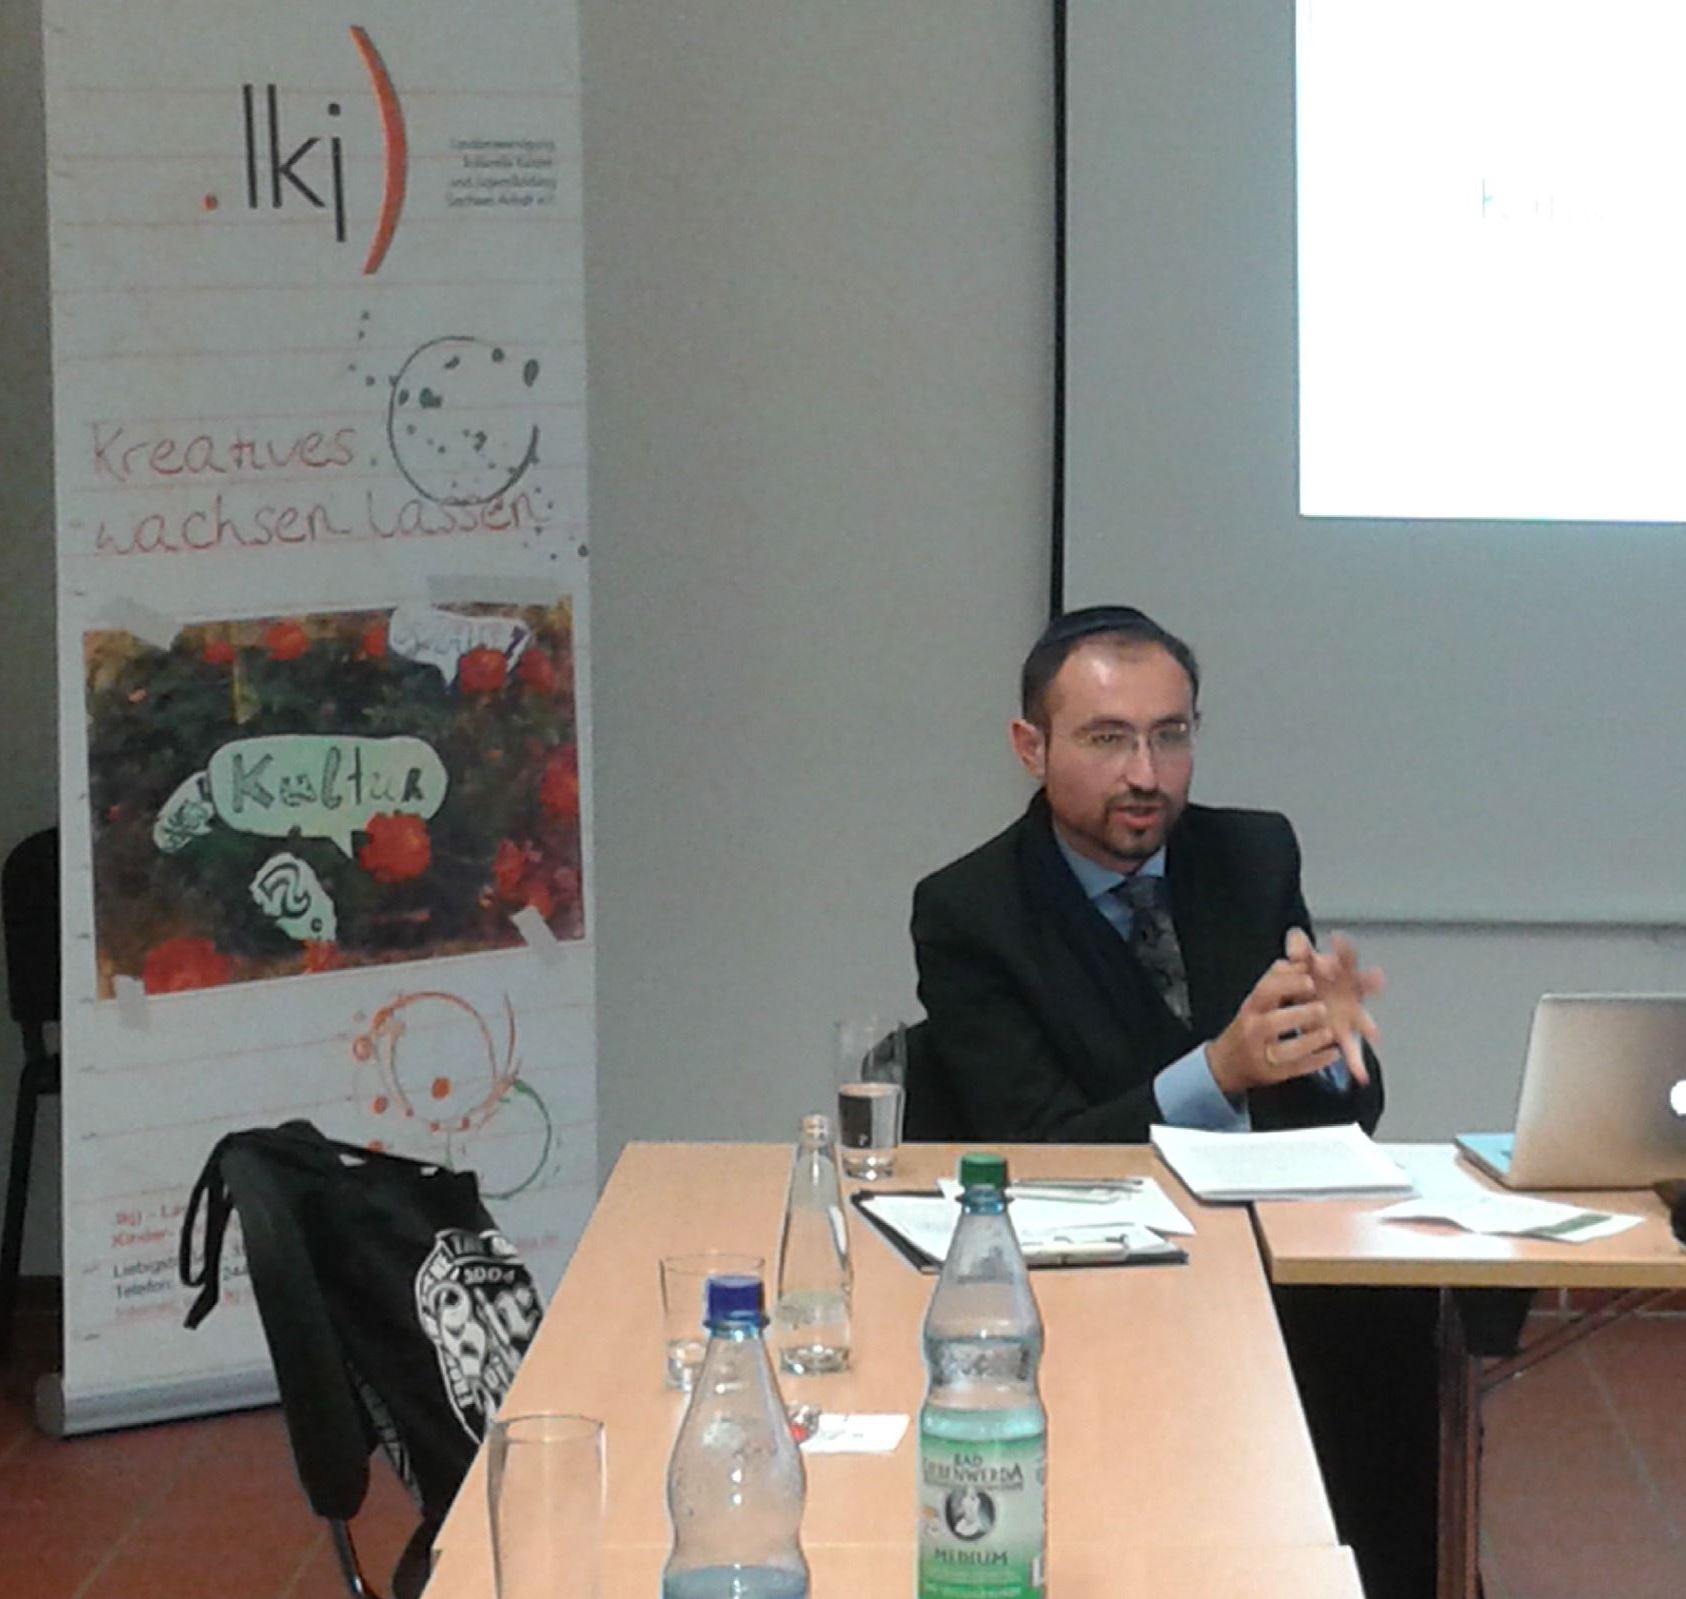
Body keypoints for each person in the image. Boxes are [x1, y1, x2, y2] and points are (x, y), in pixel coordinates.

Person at [910, 605, 1434, 1599]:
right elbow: (1039, 1144)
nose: (1146, 774)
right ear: (1031, 747)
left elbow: (1335, 1118)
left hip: (1263, 1259)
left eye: (1171, 735)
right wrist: (1220, 1070)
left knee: (1394, 1319)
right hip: (1086, 1273)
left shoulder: (1252, 855)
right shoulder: (970, 909)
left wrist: (1331, 1050)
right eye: (1108, 739)